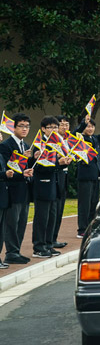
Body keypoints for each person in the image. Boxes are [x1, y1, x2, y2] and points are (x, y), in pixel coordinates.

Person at [31, 116, 67, 258]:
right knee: (42, 217)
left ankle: (48, 243)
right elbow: (40, 166)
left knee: (52, 216)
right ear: (43, 129)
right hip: (43, 184)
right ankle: (39, 247)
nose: (54, 130)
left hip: (55, 184)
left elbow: (57, 165)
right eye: (50, 127)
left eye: (55, 127)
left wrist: (64, 162)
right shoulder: (39, 144)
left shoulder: (57, 143)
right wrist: (59, 163)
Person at [0, 113, 34, 264]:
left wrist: (31, 160)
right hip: (12, 190)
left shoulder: (26, 146)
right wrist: (23, 157)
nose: (24, 129)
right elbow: (8, 168)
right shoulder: (5, 146)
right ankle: (11, 252)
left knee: (21, 222)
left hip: (24, 189)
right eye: (21, 126)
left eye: (27, 126)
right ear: (13, 127)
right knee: (12, 223)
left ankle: (16, 250)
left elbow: (24, 168)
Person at [75, 113, 100, 238]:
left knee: (93, 203)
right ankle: (82, 229)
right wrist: (82, 124)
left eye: (92, 126)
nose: (90, 129)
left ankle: (90, 226)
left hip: (96, 175)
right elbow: (75, 133)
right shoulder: (79, 138)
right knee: (84, 204)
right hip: (85, 176)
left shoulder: (95, 139)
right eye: (88, 126)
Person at [50, 115, 71, 250]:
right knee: (53, 210)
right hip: (54, 177)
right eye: (60, 125)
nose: (64, 127)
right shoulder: (52, 142)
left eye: (66, 124)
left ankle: (54, 238)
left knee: (60, 210)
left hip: (64, 176)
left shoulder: (66, 140)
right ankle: (49, 240)